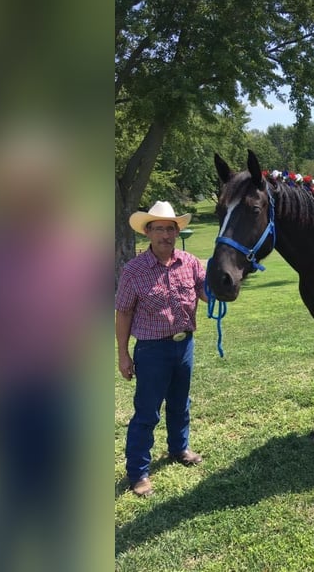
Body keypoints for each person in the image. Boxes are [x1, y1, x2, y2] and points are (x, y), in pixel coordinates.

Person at [115, 201, 208, 497]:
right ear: (148, 233)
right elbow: (124, 312)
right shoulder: (134, 270)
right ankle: (139, 472)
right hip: (152, 350)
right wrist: (123, 354)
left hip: (185, 346)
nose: (165, 235)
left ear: (177, 231)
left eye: (170, 228)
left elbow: (208, 293)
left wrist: (228, 278)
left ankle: (179, 448)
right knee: (147, 412)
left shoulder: (190, 262)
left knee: (181, 403)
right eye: (159, 229)